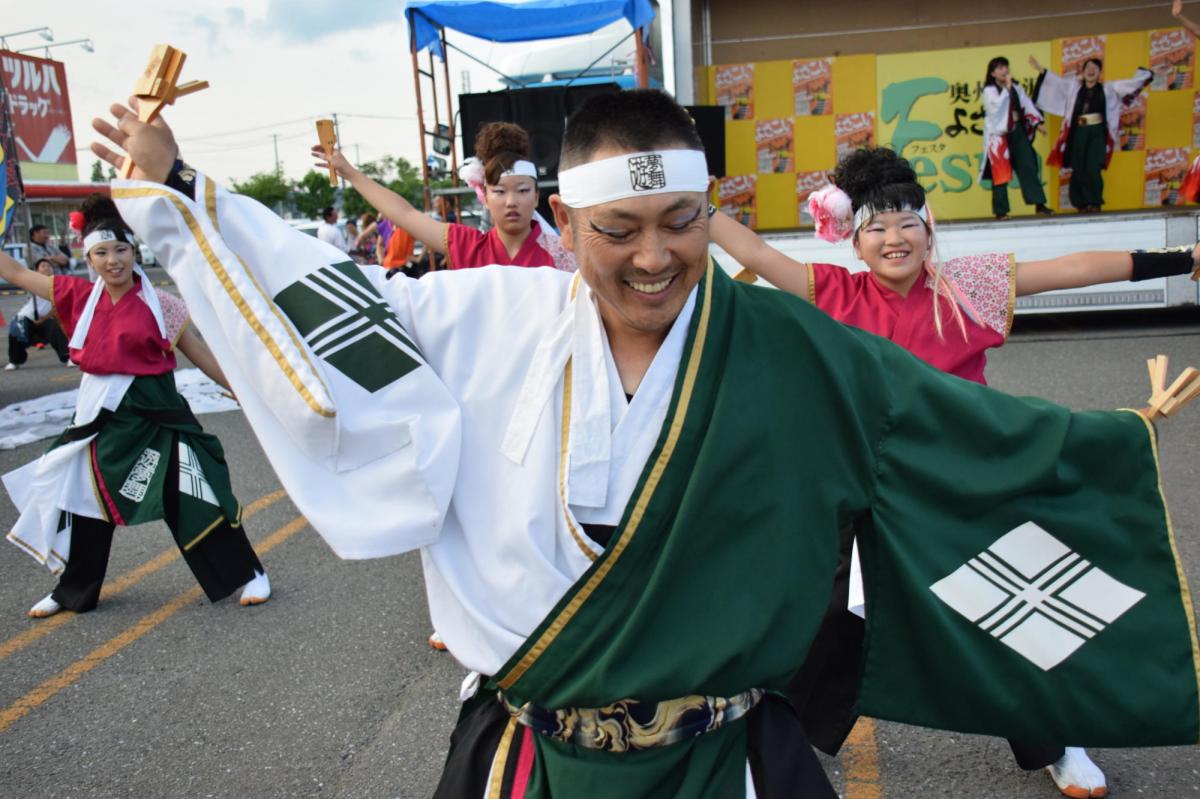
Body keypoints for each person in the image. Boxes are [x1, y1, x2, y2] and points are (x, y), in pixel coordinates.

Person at [97, 89, 1197, 798]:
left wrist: (1107, 443)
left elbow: (946, 431)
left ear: (709, 213)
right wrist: (181, 197)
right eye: (616, 232)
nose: (654, 258)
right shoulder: (483, 316)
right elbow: (336, 308)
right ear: (567, 227)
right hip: (532, 752)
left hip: (729, 756)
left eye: (680, 223)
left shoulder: (786, 345)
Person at [711, 146, 1200, 798]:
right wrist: (692, 199)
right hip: (869, 489)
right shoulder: (833, 292)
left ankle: (1054, 734)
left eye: (908, 222)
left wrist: (1181, 260)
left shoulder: (967, 288)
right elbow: (760, 255)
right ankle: (785, 738)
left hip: (966, 484)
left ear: (929, 230)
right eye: (877, 226)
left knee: (1008, 609)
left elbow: (1071, 268)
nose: (894, 237)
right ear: (856, 241)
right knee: (830, 619)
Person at [0, 194, 271, 618]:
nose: (113, 261)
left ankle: (246, 572)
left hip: (158, 415)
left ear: (134, 251)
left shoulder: (160, 303)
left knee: (192, 494)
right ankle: (73, 589)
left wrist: (242, 391)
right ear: (88, 258)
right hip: (101, 419)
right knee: (87, 499)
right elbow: (14, 270)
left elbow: (198, 352)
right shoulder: (75, 296)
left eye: (121, 249)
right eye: (102, 253)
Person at [312, 121, 576, 272]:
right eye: (499, 191)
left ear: (536, 195)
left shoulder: (563, 254)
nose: (511, 201)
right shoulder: (467, 244)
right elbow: (405, 214)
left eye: (522, 191)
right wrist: (351, 173)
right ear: (484, 195)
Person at [1028, 55, 1152, 213]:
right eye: (1088, 68)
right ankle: (1080, 202)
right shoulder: (1074, 88)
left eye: (1095, 68)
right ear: (1083, 72)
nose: (1091, 71)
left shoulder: (1109, 89)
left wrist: (1144, 75)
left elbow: (1128, 85)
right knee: (1078, 166)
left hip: (1097, 132)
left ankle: (1094, 202)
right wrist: (1041, 69)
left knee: (1093, 166)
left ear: (1100, 72)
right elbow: (1058, 84)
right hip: (1078, 131)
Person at [981, 56, 1053, 219]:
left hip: (1017, 131)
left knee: (1028, 165)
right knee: (1000, 172)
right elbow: (996, 109)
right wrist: (1006, 89)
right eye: (999, 68)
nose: (1004, 70)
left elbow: (1026, 104)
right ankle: (1001, 211)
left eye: (1005, 67)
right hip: (999, 136)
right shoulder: (989, 91)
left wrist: (1037, 123)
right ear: (992, 73)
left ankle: (1039, 204)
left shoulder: (1015, 87)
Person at [6, 258, 72, 370]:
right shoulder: (31, 283)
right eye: (43, 266)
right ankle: (15, 361)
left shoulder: (58, 283)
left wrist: (44, 318)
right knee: (16, 331)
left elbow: (58, 305)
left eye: (48, 266)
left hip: (45, 318)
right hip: (27, 317)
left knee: (56, 329)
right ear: (36, 270)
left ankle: (68, 357)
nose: (46, 268)